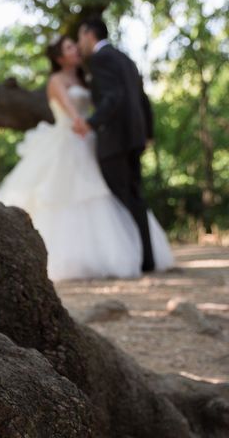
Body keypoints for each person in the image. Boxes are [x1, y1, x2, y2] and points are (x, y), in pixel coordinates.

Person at [0, 34, 173, 281]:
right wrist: (83, 122)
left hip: (90, 140)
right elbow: (70, 111)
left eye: (75, 45)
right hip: (68, 138)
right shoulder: (56, 80)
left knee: (107, 192)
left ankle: (132, 253)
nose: (76, 49)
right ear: (59, 57)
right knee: (63, 195)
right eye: (70, 47)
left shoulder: (86, 77)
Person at [74, 16, 159, 272]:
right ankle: (147, 258)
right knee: (135, 196)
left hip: (115, 139)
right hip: (135, 137)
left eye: (80, 37)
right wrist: (149, 133)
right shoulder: (127, 59)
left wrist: (92, 122)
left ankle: (134, 258)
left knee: (120, 198)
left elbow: (114, 96)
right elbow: (143, 100)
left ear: (90, 34)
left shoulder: (101, 59)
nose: (79, 44)